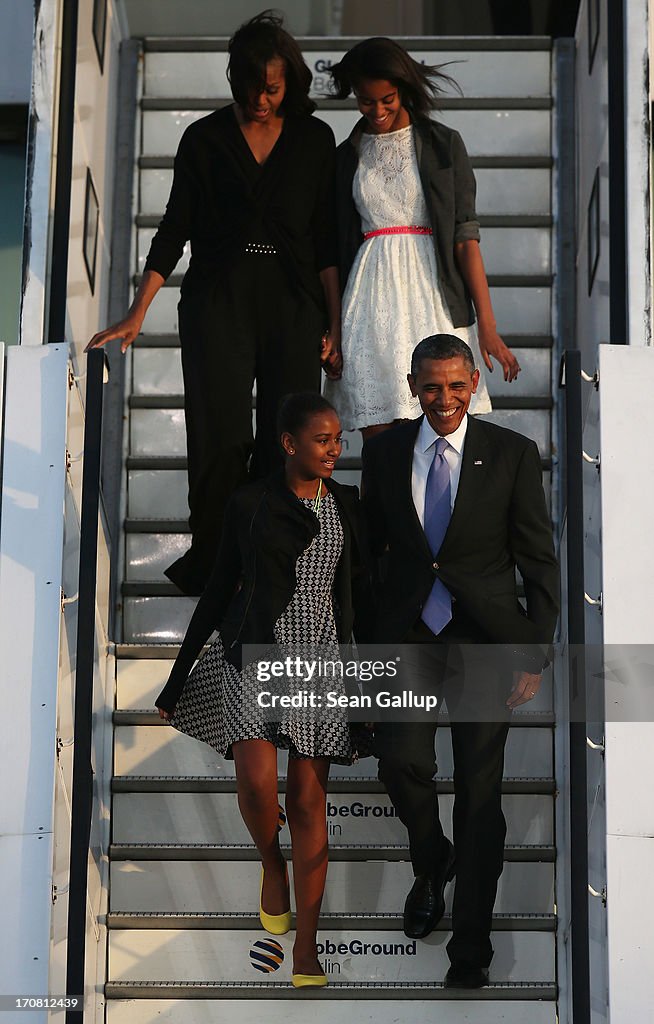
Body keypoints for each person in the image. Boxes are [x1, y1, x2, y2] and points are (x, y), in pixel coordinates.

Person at [86, 11, 342, 594]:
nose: (260, 98)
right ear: (233, 79)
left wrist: (336, 322)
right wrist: (136, 311)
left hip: (294, 304)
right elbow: (175, 227)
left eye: (272, 88)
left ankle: (281, 562)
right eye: (249, 86)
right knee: (218, 437)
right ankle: (223, 564)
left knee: (291, 434)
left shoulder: (315, 138)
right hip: (217, 304)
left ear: (289, 83)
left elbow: (326, 237)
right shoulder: (203, 138)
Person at [361, 335, 559, 988]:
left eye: (455, 386)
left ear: (473, 382)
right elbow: (369, 556)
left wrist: (532, 651)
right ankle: (431, 856)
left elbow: (537, 560)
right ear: (411, 384)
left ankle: (470, 950)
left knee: (480, 797)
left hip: (483, 644)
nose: (443, 400)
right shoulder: (384, 451)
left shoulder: (512, 455)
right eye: (430, 387)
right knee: (401, 762)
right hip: (410, 639)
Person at [155, 393, 371, 988]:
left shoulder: (348, 507)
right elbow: (221, 584)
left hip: (321, 661)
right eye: (322, 440)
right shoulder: (251, 503)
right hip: (254, 651)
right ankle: (270, 865)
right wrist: (178, 678)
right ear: (288, 443)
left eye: (337, 440)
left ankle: (305, 947)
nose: (334, 449)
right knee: (255, 783)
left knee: (306, 802)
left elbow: (360, 595)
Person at [324, 36, 520, 441]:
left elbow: (466, 237)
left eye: (387, 99)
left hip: (433, 293)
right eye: (365, 101)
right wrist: (334, 331)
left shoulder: (444, 145)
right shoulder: (346, 157)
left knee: (440, 428)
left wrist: (488, 324)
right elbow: (333, 244)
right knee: (378, 437)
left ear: (404, 89)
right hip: (369, 297)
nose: (376, 110)